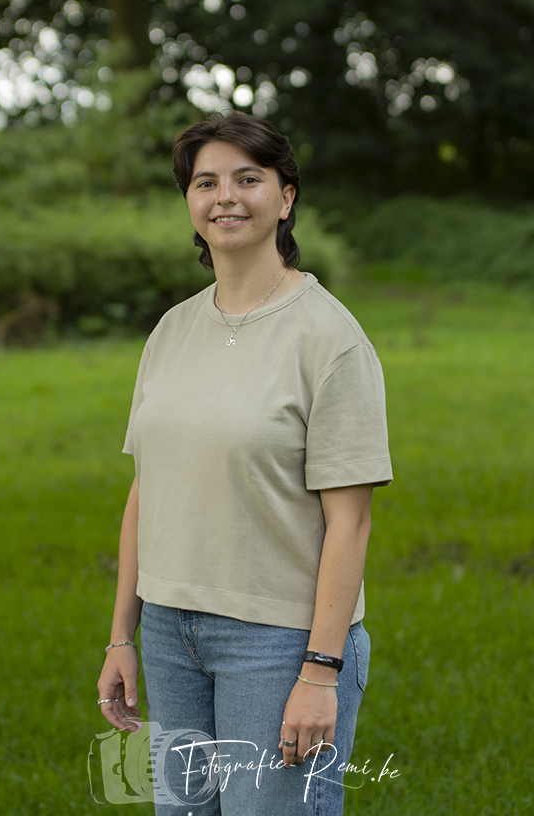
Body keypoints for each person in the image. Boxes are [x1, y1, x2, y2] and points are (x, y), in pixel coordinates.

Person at [97, 112, 393, 815]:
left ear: (285, 198)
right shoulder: (172, 330)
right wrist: (121, 637)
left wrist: (320, 671)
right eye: (205, 182)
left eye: (247, 179)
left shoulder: (330, 339)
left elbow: (349, 524)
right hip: (169, 634)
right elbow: (147, 489)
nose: (225, 196)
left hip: (279, 643)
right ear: (189, 203)